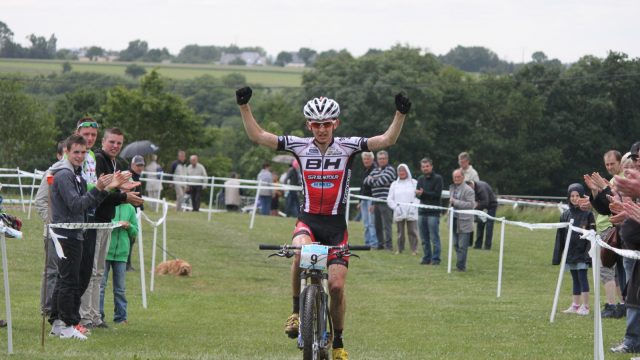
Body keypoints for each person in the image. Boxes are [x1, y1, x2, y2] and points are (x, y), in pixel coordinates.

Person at [236, 86, 410, 360]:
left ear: (335, 123)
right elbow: (258, 136)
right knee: (301, 252)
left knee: (338, 287)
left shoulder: (348, 147)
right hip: (308, 221)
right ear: (309, 125)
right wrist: (244, 107)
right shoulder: (299, 146)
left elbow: (386, 140)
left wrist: (401, 113)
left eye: (326, 124)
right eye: (316, 124)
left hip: (336, 228)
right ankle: (296, 312)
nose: (321, 129)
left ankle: (338, 341)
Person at [48, 134, 128, 340]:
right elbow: (76, 204)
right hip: (66, 233)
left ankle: (59, 322)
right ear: (66, 151)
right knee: (69, 280)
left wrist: (106, 188)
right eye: (76, 152)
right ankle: (66, 324)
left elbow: (88, 203)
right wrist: (100, 188)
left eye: (83, 153)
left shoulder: (78, 174)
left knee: (72, 278)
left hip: (77, 232)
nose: (80, 156)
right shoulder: (64, 175)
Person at [80, 128, 143, 330]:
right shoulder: (98, 160)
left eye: (119, 143)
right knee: (92, 272)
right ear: (104, 141)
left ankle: (95, 316)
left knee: (98, 272)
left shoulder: (114, 162)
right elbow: (100, 192)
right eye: (112, 142)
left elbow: (110, 190)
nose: (115, 146)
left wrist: (123, 189)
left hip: (106, 221)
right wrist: (124, 196)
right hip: (94, 221)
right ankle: (86, 316)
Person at [582, 150, 626, 318]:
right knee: (615, 271)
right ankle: (621, 305)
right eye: (606, 164)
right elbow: (602, 206)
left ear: (620, 163)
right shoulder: (614, 180)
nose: (609, 167)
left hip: (612, 228)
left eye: (612, 164)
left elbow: (611, 206)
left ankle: (613, 305)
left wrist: (603, 188)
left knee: (607, 269)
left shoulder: (621, 180)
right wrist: (594, 193)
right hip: (606, 227)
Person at [552, 183, 595, 316]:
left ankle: (585, 306)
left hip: (582, 253)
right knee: (575, 278)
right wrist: (559, 255)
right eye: (572, 196)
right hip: (570, 253)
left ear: (582, 196)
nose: (575, 198)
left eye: (577, 196)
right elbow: (560, 236)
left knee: (582, 278)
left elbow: (592, 234)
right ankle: (575, 305)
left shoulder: (588, 214)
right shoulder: (565, 214)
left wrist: (588, 253)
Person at [35, 141, 65, 317]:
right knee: (52, 271)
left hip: (69, 231)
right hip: (52, 232)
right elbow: (40, 201)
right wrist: (52, 222)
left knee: (65, 272)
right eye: (63, 155)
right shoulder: (51, 174)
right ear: (59, 155)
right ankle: (47, 308)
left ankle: (60, 307)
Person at [100, 201, 138, 325]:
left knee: (120, 289)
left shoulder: (131, 209)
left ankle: (121, 317)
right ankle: (98, 316)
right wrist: (116, 224)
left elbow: (135, 232)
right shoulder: (108, 204)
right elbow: (102, 223)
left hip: (122, 254)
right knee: (101, 286)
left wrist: (129, 226)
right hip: (105, 251)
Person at [363, 150, 397, 251]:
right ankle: (380, 244)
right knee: (377, 225)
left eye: (383, 158)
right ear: (377, 160)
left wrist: (374, 179)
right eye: (380, 159)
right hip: (376, 201)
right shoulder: (376, 170)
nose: (381, 160)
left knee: (387, 225)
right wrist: (378, 180)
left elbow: (380, 181)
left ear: (387, 159)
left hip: (386, 202)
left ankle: (389, 246)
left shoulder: (390, 169)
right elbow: (366, 181)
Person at [415, 157, 443, 265]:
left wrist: (423, 194)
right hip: (422, 211)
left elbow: (437, 195)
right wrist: (418, 194)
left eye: (427, 166)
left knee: (434, 237)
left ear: (431, 166)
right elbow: (418, 195)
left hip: (433, 213)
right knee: (423, 237)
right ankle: (426, 257)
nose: (425, 168)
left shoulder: (438, 178)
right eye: (423, 167)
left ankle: (436, 259)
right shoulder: (421, 179)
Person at [387, 164, 419, 255]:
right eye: (400, 171)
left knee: (412, 231)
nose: (401, 173)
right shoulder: (394, 184)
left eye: (403, 171)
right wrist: (396, 208)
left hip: (411, 211)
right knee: (400, 232)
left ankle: (414, 249)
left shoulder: (414, 183)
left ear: (407, 171)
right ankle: (400, 249)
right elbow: (389, 199)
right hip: (399, 211)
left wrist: (414, 206)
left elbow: (418, 197)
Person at [449, 169, 475, 272]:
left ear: (463, 177)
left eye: (458, 177)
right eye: (455, 177)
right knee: (455, 244)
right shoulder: (452, 188)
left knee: (462, 246)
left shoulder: (469, 190)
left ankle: (461, 266)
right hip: (454, 219)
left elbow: (470, 205)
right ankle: (460, 264)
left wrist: (456, 202)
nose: (456, 179)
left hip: (464, 221)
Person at [126, 155, 146, 271]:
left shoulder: (137, 177)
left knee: (131, 238)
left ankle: (127, 263)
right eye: (138, 165)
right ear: (132, 165)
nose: (140, 167)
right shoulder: (130, 177)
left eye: (141, 165)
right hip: (129, 211)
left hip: (135, 211)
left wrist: (141, 205)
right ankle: (126, 264)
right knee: (129, 238)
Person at [469, 180, 498, 250]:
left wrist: (475, 206)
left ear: (472, 184)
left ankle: (487, 246)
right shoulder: (471, 188)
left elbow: (485, 202)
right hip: (481, 207)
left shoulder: (481, 188)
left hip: (491, 206)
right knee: (480, 225)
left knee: (489, 226)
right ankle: (478, 245)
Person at [358, 152, 378, 249]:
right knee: (366, 223)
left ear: (372, 159)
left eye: (368, 159)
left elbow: (375, 188)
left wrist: (373, 203)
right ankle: (367, 243)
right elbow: (362, 187)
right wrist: (359, 201)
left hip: (371, 199)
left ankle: (373, 243)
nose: (366, 161)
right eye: (365, 159)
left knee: (371, 223)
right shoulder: (364, 170)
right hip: (364, 200)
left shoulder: (375, 170)